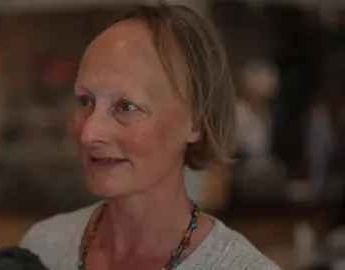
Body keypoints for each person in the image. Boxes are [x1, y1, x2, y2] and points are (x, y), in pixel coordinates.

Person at [21, 4, 280, 270]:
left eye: (126, 107)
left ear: (196, 121)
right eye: (85, 101)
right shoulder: (42, 250)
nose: (89, 134)